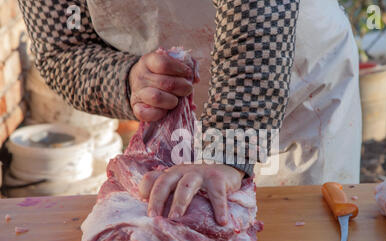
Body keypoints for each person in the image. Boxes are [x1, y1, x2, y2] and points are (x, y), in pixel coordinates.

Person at [18, 0, 362, 224]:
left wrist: (229, 149)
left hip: (294, 81)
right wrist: (129, 79)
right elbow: (63, 49)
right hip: (178, 110)